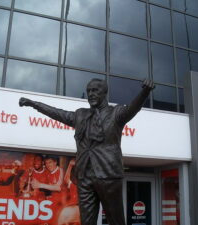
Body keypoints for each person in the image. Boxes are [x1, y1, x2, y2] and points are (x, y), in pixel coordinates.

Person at [19, 78, 155, 225]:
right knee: (86, 221)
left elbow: (132, 108)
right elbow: (58, 114)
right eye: (89, 91)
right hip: (84, 177)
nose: (91, 94)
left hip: (108, 175)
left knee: (115, 220)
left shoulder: (115, 113)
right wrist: (34, 104)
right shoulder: (80, 115)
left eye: (95, 90)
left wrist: (145, 91)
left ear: (104, 92)